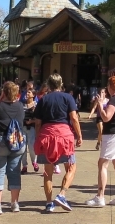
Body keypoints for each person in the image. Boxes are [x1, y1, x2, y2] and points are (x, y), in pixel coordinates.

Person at [33, 74, 83, 212]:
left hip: (47, 136)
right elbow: (73, 117)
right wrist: (79, 135)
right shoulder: (68, 98)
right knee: (71, 167)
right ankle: (61, 194)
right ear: (61, 84)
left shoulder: (43, 100)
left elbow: (37, 122)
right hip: (64, 137)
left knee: (48, 172)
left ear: (48, 85)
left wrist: (38, 138)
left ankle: (49, 203)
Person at [87, 76, 115, 207]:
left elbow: (106, 118)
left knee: (103, 164)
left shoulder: (113, 101)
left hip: (113, 134)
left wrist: (100, 104)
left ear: (109, 87)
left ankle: (100, 197)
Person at [0, 82, 27, 214]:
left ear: (3, 92)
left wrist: (0, 100)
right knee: (14, 172)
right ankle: (15, 204)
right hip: (17, 143)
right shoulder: (20, 106)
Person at [22, 83, 38, 174]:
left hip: (31, 129)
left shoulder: (36, 106)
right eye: (26, 93)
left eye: (29, 93)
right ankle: (24, 166)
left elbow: (38, 119)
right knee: (23, 148)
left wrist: (31, 121)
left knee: (31, 146)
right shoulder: (22, 104)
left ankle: (34, 162)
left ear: (33, 95)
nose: (27, 94)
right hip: (22, 128)